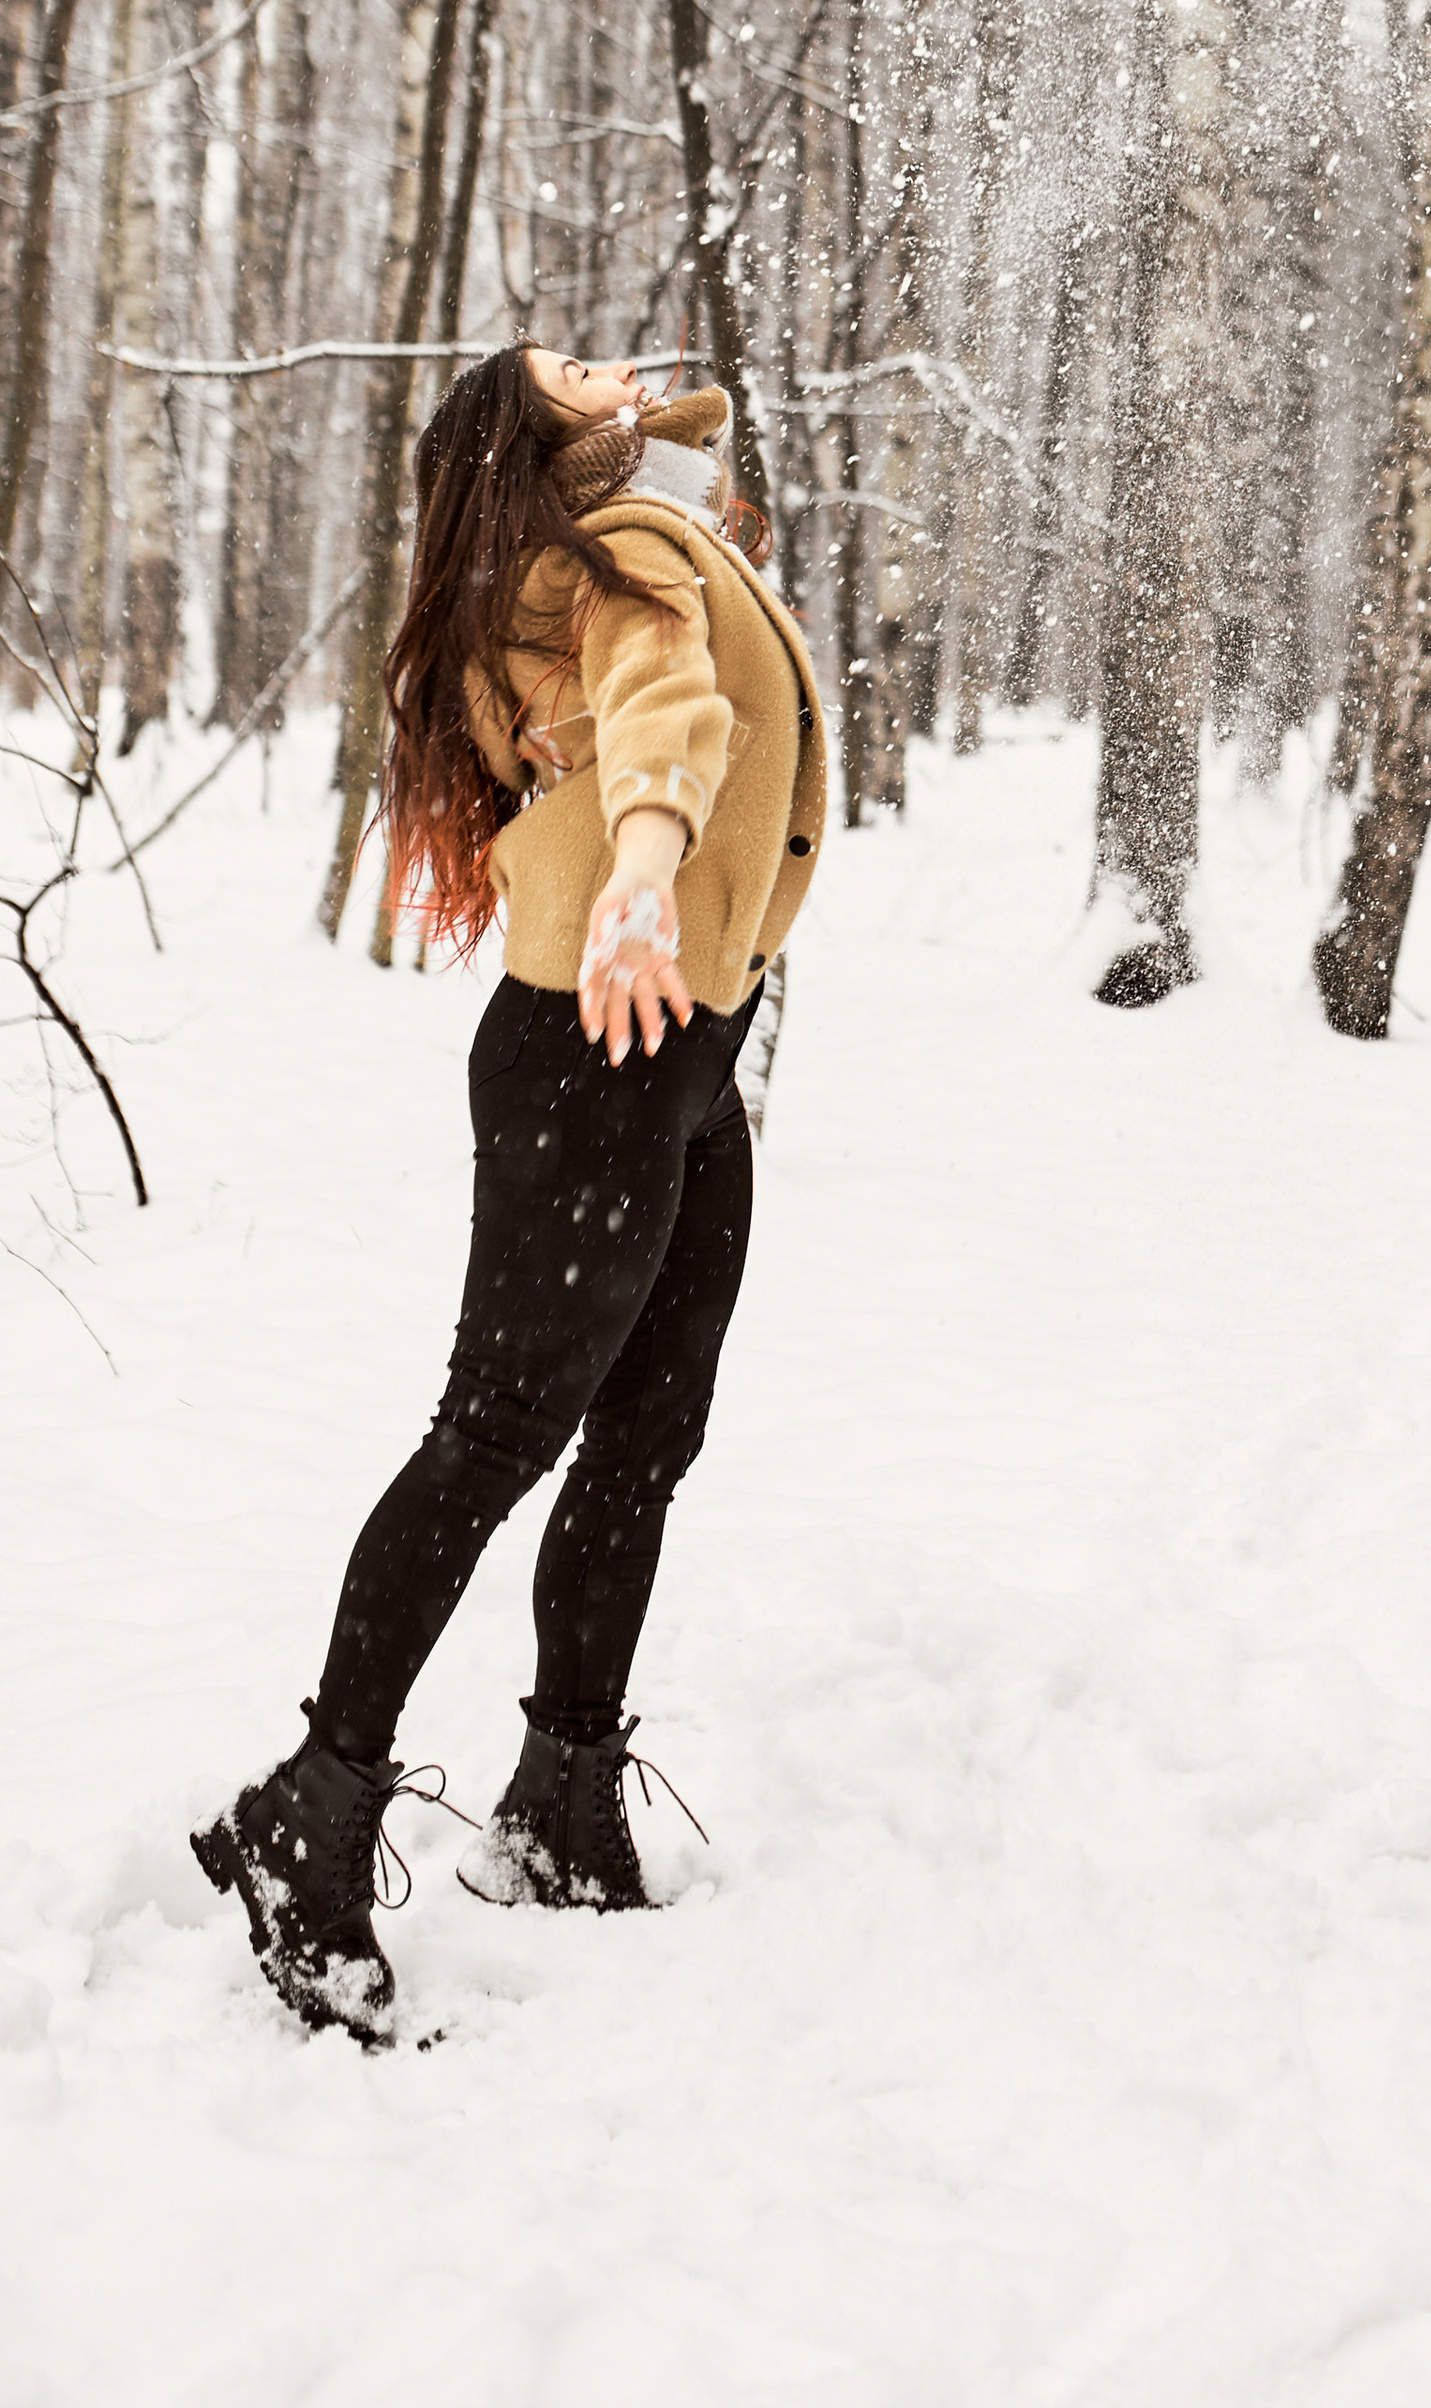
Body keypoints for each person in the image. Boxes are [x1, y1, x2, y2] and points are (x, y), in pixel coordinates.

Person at [193, 349, 829, 2046]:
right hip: (596, 1043)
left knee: (647, 1433)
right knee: (493, 1436)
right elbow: (662, 699)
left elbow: (685, 505)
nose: (620, 365)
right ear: (529, 444)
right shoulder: (585, 566)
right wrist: (639, 863)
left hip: (681, 1049)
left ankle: (559, 1792)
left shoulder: (624, 524)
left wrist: (632, 414)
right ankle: (308, 1819)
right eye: (573, 369)